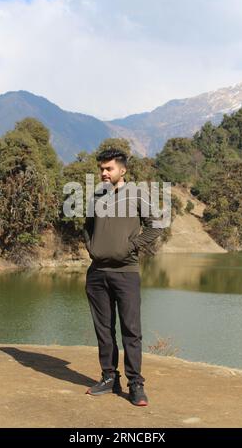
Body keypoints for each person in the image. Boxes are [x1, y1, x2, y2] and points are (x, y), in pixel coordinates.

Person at [83, 148, 165, 406]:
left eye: (109, 168)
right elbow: (87, 227)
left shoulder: (137, 194)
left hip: (126, 273)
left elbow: (156, 226)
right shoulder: (96, 195)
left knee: (131, 330)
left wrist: (131, 247)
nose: (104, 173)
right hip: (97, 274)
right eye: (102, 168)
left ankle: (135, 384)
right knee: (104, 330)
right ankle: (109, 378)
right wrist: (92, 248)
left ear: (123, 170)